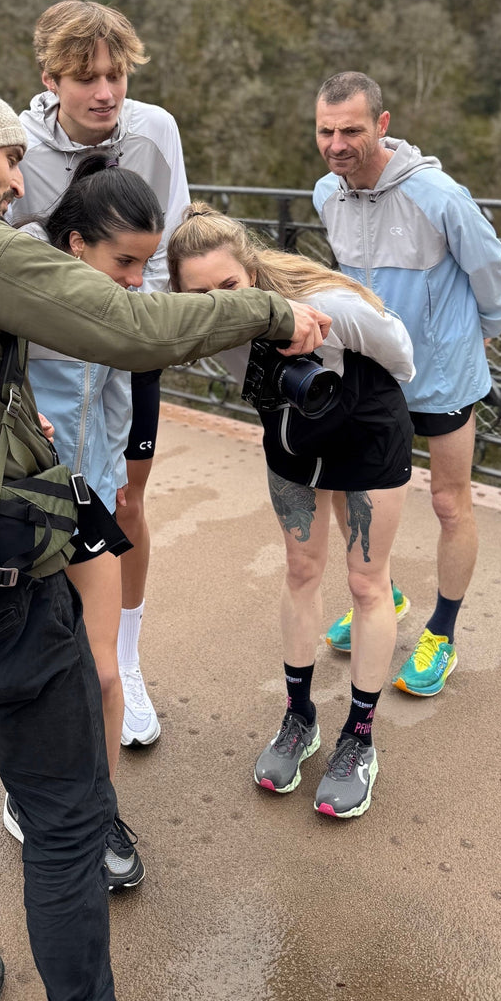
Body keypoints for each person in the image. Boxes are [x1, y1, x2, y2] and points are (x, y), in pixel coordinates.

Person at [0, 71, 330, 1001]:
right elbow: (128, 324)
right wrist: (268, 310)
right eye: (7, 156)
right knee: (66, 819)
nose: (20, 180)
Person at [168, 203, 415, 818]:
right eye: (200, 295)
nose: (220, 303)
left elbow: (401, 354)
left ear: (251, 273)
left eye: (230, 285)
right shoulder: (199, 326)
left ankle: (359, 737)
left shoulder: (329, 305)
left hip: (366, 433)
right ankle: (299, 717)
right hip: (292, 436)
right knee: (302, 570)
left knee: (367, 582)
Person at [16, 0, 191, 751]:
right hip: (46, 360)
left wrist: (139, 328)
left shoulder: (155, 131)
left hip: (128, 346)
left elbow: (171, 240)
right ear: (50, 79)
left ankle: (124, 659)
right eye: (86, 77)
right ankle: (51, 679)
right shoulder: (15, 144)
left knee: (124, 501)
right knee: (42, 510)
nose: (105, 92)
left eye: (116, 75)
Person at [313, 71, 501, 697]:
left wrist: (481, 334)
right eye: (325, 131)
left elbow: (494, 274)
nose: (337, 144)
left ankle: (442, 634)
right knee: (348, 490)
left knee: (450, 503)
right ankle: (386, 592)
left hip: (443, 376)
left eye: (351, 130)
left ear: (382, 124)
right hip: (370, 374)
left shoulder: (438, 195)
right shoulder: (326, 194)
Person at [12, 151, 164, 891]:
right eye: (124, 261)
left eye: (145, 264)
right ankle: (29, 794)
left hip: (87, 498)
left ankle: (100, 812)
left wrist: (118, 481)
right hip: (18, 501)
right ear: (76, 244)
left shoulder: (116, 297)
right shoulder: (14, 274)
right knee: (31, 671)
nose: (137, 279)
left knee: (101, 672)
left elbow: (114, 393)